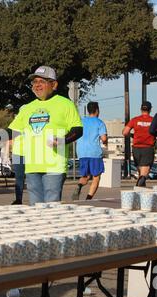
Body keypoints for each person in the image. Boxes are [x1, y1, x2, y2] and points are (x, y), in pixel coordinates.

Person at [8, 66, 83, 206]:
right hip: (32, 166)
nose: (37, 85)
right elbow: (13, 131)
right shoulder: (28, 108)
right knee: (36, 209)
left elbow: (78, 129)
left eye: (41, 82)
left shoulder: (65, 104)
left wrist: (62, 140)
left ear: (53, 85)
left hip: (54, 166)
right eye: (34, 82)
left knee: (51, 208)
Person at [72, 102, 108, 201]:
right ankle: (88, 198)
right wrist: (106, 142)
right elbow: (104, 138)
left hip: (82, 153)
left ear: (88, 110)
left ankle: (79, 185)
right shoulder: (99, 122)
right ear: (97, 110)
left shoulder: (81, 121)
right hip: (94, 153)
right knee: (96, 177)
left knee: (86, 176)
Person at [122, 101, 155, 187]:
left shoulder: (135, 120)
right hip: (148, 148)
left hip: (136, 149)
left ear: (141, 109)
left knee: (141, 173)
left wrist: (133, 135)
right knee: (144, 175)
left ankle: (141, 194)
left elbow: (125, 132)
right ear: (150, 109)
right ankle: (137, 189)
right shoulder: (153, 120)